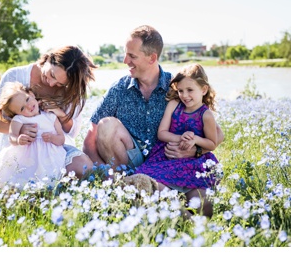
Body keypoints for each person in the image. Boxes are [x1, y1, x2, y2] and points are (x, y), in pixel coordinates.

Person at [83, 25, 224, 177]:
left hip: (166, 162)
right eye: (125, 54)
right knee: (107, 125)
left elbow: (217, 135)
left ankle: (151, 188)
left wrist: (195, 151)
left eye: (132, 56)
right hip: (127, 162)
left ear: (152, 58)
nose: (125, 61)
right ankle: (124, 185)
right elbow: (90, 141)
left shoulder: (178, 87)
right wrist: (104, 177)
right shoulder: (119, 88)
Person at [0, 45, 97, 179]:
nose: (51, 84)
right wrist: (20, 129)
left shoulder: (72, 89)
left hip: (54, 149)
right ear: (49, 59)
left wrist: (60, 114)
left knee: (86, 168)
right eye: (51, 74)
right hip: (22, 150)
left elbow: (72, 132)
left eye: (60, 84)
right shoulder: (15, 75)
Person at [134, 63, 221, 217]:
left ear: (203, 89)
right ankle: (171, 202)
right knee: (147, 178)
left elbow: (212, 143)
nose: (184, 95)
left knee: (203, 205)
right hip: (167, 157)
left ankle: (183, 210)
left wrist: (195, 140)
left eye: (190, 90)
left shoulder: (206, 115)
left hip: (194, 162)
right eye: (180, 90)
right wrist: (180, 137)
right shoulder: (174, 105)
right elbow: (162, 133)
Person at [0, 83, 67, 187]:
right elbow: (12, 137)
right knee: (21, 180)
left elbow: (61, 139)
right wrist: (18, 140)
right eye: (22, 109)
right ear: (17, 114)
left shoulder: (50, 117)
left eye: (27, 99)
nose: (28, 106)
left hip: (49, 155)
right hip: (26, 156)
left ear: (31, 94)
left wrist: (52, 138)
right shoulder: (19, 119)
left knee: (50, 179)